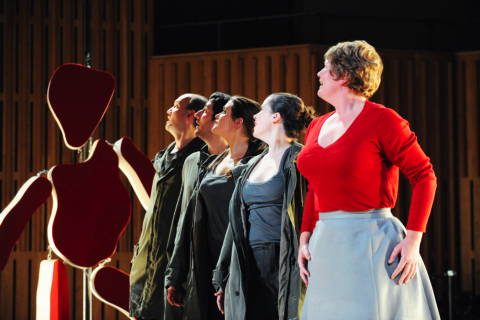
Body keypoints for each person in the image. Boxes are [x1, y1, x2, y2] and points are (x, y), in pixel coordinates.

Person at [296, 40, 440, 319]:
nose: (319, 74)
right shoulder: (317, 125)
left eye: (326, 69)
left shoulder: (384, 120)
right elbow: (315, 186)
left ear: (345, 75)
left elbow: (424, 176)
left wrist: (413, 241)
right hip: (325, 242)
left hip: (370, 240)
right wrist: (305, 237)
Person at [213, 93, 313, 320]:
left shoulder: (301, 159)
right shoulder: (252, 164)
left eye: (262, 112)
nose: (255, 116)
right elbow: (236, 222)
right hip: (249, 263)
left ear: (276, 117)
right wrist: (224, 275)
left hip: (285, 260)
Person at [166, 96, 263, 320]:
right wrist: (177, 273)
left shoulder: (257, 162)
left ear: (239, 122)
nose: (217, 116)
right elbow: (188, 219)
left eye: (224, 113)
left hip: (240, 263)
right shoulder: (212, 162)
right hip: (204, 261)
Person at [130, 93, 207, 320]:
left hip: (174, 259)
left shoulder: (199, 158)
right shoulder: (162, 157)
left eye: (175, 107)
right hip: (148, 254)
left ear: (190, 115)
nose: (168, 111)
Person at [163, 92, 231, 317]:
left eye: (206, 112)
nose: (198, 116)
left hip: (225, 265)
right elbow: (182, 219)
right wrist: (175, 273)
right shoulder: (193, 162)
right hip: (195, 266)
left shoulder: (240, 164)